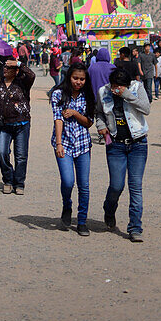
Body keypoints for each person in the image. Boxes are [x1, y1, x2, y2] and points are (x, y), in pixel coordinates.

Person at [95, 66, 150, 242]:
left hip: (138, 144)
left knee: (135, 187)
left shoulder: (136, 88)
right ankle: (109, 209)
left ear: (127, 84)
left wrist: (127, 94)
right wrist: (101, 126)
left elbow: (145, 109)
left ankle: (135, 227)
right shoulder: (103, 91)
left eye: (119, 86)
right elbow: (99, 112)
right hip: (116, 146)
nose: (115, 89)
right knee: (117, 186)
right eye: (114, 86)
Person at [50, 62, 95, 235]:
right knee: (68, 181)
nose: (78, 82)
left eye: (82, 79)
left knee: (84, 185)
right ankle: (66, 205)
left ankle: (82, 220)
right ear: (69, 77)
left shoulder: (88, 95)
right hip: (65, 144)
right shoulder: (58, 94)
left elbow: (89, 122)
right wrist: (59, 144)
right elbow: (58, 119)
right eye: (75, 78)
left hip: (83, 145)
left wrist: (75, 113)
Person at [0, 45, 35, 195]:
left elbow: (31, 75)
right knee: (2, 152)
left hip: (22, 123)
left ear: (16, 71)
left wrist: (19, 64)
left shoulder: (22, 83)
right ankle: (8, 179)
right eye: (5, 67)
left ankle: (19, 183)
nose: (6, 70)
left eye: (9, 68)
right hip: (4, 124)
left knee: (21, 155)